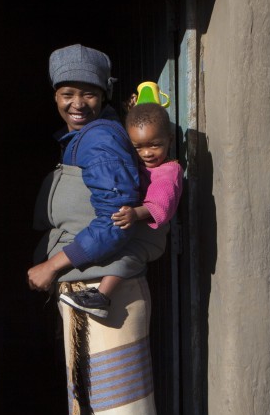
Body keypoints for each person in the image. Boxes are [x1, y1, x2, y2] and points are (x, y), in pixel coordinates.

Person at [28, 44, 167, 415]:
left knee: (120, 410)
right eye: (67, 93)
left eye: (87, 92)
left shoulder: (102, 139)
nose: (77, 102)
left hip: (110, 301)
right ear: (56, 96)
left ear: (103, 95)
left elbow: (115, 218)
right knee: (105, 409)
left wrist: (52, 265)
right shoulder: (83, 138)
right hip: (90, 299)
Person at [59, 99, 183, 318]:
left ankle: (101, 297)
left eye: (155, 145)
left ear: (169, 140)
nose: (147, 153)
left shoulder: (168, 172)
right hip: (135, 225)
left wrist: (136, 214)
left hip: (149, 233)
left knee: (127, 255)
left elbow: (161, 206)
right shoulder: (134, 164)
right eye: (138, 147)